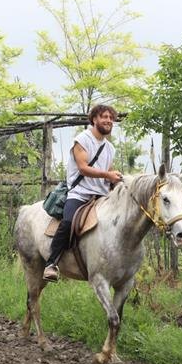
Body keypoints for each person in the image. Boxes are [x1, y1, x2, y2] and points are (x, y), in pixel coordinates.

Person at [43, 104, 122, 282]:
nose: (108, 120)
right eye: (104, 117)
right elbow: (83, 168)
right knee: (68, 222)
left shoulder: (110, 148)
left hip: (101, 196)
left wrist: (115, 179)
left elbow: (107, 170)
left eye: (111, 118)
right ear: (94, 119)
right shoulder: (83, 139)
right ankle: (51, 263)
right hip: (80, 193)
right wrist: (107, 174)